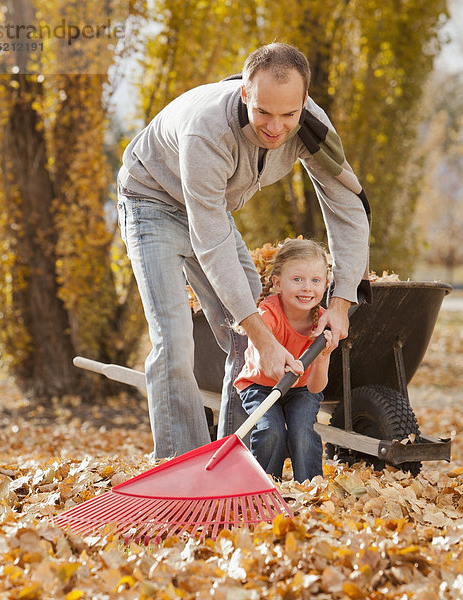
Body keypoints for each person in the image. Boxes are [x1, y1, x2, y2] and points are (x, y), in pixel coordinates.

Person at [116, 42, 370, 459]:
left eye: (288, 114)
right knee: (175, 339)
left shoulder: (310, 126)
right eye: (263, 112)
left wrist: (341, 301)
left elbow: (346, 204)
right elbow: (212, 240)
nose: (275, 127)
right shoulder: (208, 131)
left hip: (210, 209)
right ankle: (183, 465)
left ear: (304, 102)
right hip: (151, 203)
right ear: (244, 94)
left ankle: (234, 456)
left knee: (246, 333)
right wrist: (262, 336)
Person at [234, 238, 334, 482]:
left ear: (326, 284)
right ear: (277, 283)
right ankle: (266, 485)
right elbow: (260, 360)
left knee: (301, 432)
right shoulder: (267, 313)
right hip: (261, 385)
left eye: (315, 280)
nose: (307, 288)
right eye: (297, 279)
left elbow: (316, 388)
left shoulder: (321, 324)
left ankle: (310, 488)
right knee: (271, 431)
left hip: (300, 390)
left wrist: (322, 357)